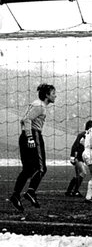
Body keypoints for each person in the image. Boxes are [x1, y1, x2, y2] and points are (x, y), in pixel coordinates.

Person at [9, 83, 57, 211]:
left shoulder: (36, 104)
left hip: (26, 136)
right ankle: (30, 192)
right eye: (53, 93)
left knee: (28, 169)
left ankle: (15, 195)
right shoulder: (40, 106)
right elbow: (26, 120)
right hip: (33, 135)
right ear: (47, 95)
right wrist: (30, 137)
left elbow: (24, 120)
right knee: (41, 168)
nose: (55, 96)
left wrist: (26, 135)